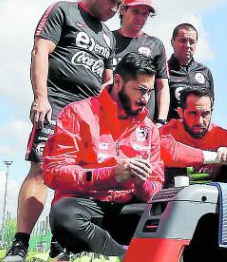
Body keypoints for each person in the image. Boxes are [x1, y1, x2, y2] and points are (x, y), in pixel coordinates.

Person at [4, 0, 126, 262]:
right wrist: (40, 97)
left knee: (78, 180)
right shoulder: (63, 11)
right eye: (111, 0)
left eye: (118, 4)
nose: (114, 8)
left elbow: (107, 80)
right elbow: (40, 51)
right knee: (42, 171)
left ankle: (61, 247)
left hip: (89, 115)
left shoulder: (108, 36)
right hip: (57, 102)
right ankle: (20, 244)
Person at [43, 53, 164, 258]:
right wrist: (111, 174)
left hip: (127, 209)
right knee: (63, 215)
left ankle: (110, 253)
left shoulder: (149, 129)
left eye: (150, 92)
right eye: (140, 90)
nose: (145, 99)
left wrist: (141, 182)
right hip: (87, 206)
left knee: (169, 215)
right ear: (117, 81)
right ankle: (123, 255)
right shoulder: (77, 113)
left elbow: (155, 191)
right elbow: (54, 173)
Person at [160, 86, 227, 186]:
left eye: (205, 113)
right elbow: (168, 153)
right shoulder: (168, 131)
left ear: (211, 112)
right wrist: (216, 157)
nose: (199, 121)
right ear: (181, 113)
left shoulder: (224, 137)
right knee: (173, 172)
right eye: (193, 113)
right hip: (177, 192)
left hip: (213, 192)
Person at [111, 0, 170, 124]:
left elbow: (162, 86)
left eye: (144, 14)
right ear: (123, 10)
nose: (140, 18)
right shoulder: (108, 38)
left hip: (143, 123)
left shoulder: (155, 45)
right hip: (110, 118)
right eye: (136, 12)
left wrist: (161, 121)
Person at [166, 23, 214, 121]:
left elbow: (210, 105)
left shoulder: (205, 71)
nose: (187, 45)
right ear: (172, 42)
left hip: (199, 130)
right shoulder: (163, 70)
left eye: (191, 42)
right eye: (183, 40)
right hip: (171, 131)